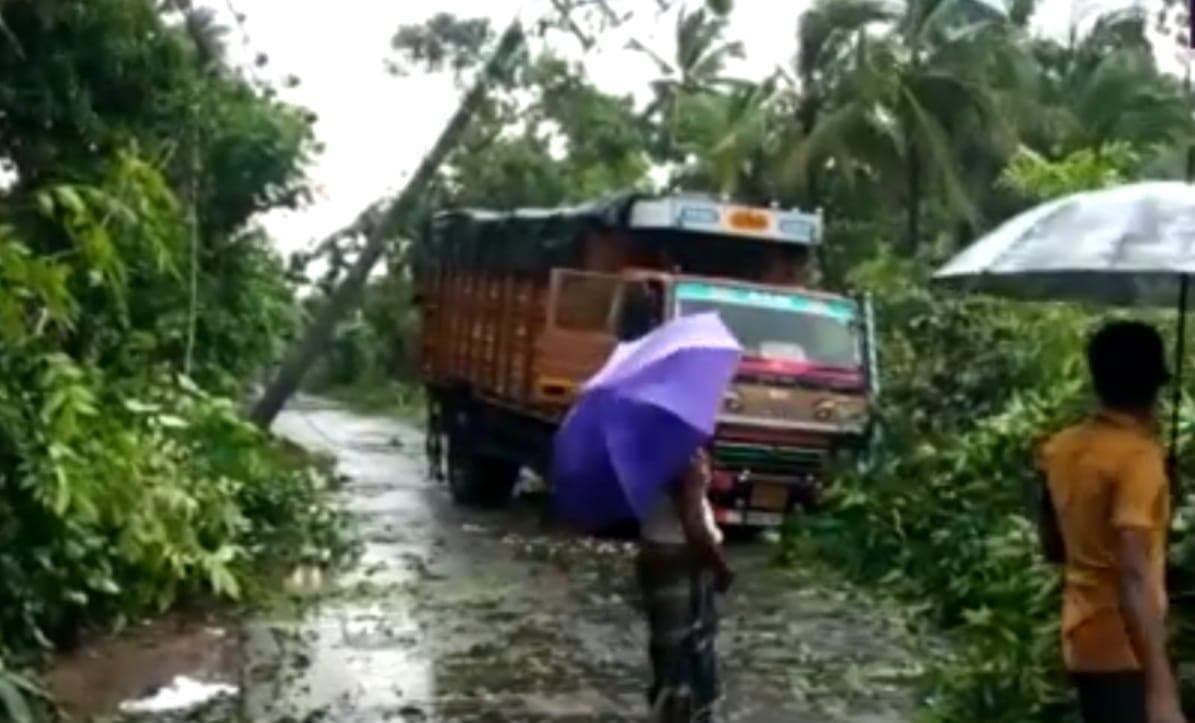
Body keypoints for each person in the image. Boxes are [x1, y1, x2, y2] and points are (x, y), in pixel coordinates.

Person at [1036, 320, 1186, 723]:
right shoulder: (1138, 458)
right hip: (1126, 646)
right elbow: (1133, 572)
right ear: (1156, 384)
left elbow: (1053, 546)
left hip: (1082, 637)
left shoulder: (1060, 448)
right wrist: (1161, 687)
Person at [637, 447, 734, 723]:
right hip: (682, 563)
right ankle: (682, 714)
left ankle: (668, 709)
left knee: (669, 650)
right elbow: (693, 524)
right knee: (687, 654)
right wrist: (721, 567)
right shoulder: (685, 461)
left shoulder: (654, 455)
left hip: (656, 559)